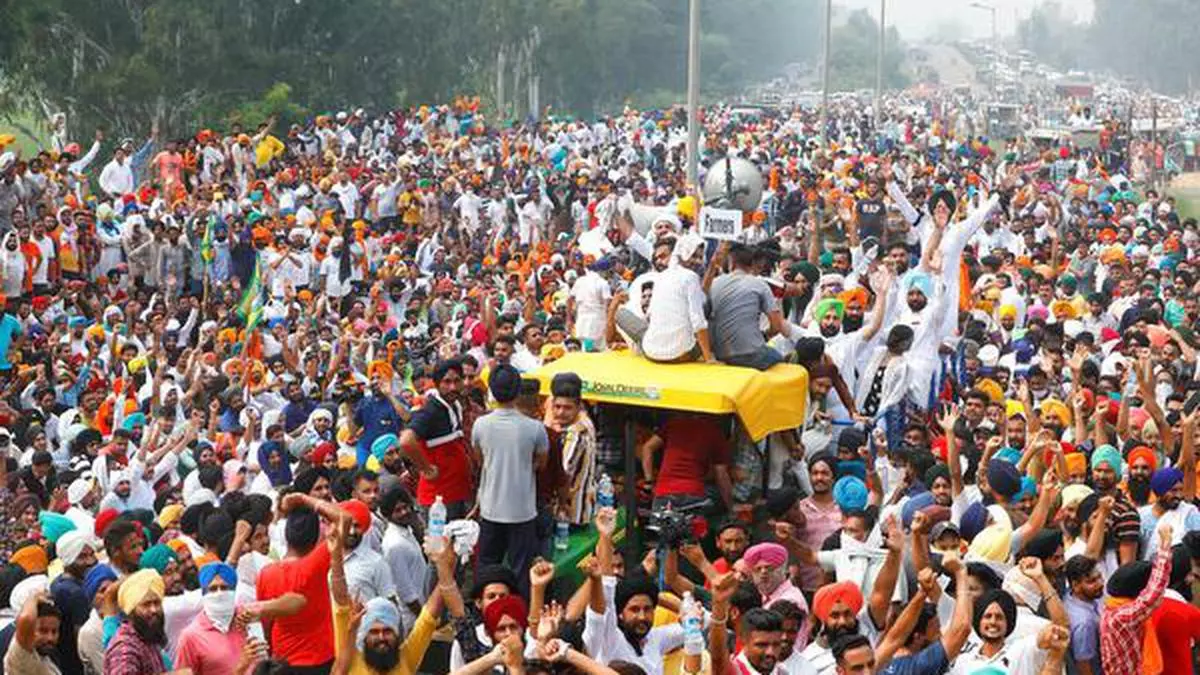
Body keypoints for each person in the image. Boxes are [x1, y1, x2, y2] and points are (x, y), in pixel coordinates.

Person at [471, 363, 549, 591]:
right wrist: (521, 466)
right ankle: (521, 615)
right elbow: (541, 464)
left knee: (486, 567)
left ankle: (485, 615)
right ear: (518, 391)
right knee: (522, 571)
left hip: (490, 508)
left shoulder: (480, 425)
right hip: (522, 512)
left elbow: (480, 460)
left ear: (492, 392)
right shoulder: (535, 428)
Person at [254, 491, 349, 672]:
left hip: (281, 661)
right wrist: (304, 499)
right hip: (320, 658)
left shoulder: (265, 574)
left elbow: (266, 623)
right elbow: (344, 518)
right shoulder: (315, 564)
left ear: (287, 535)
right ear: (315, 537)